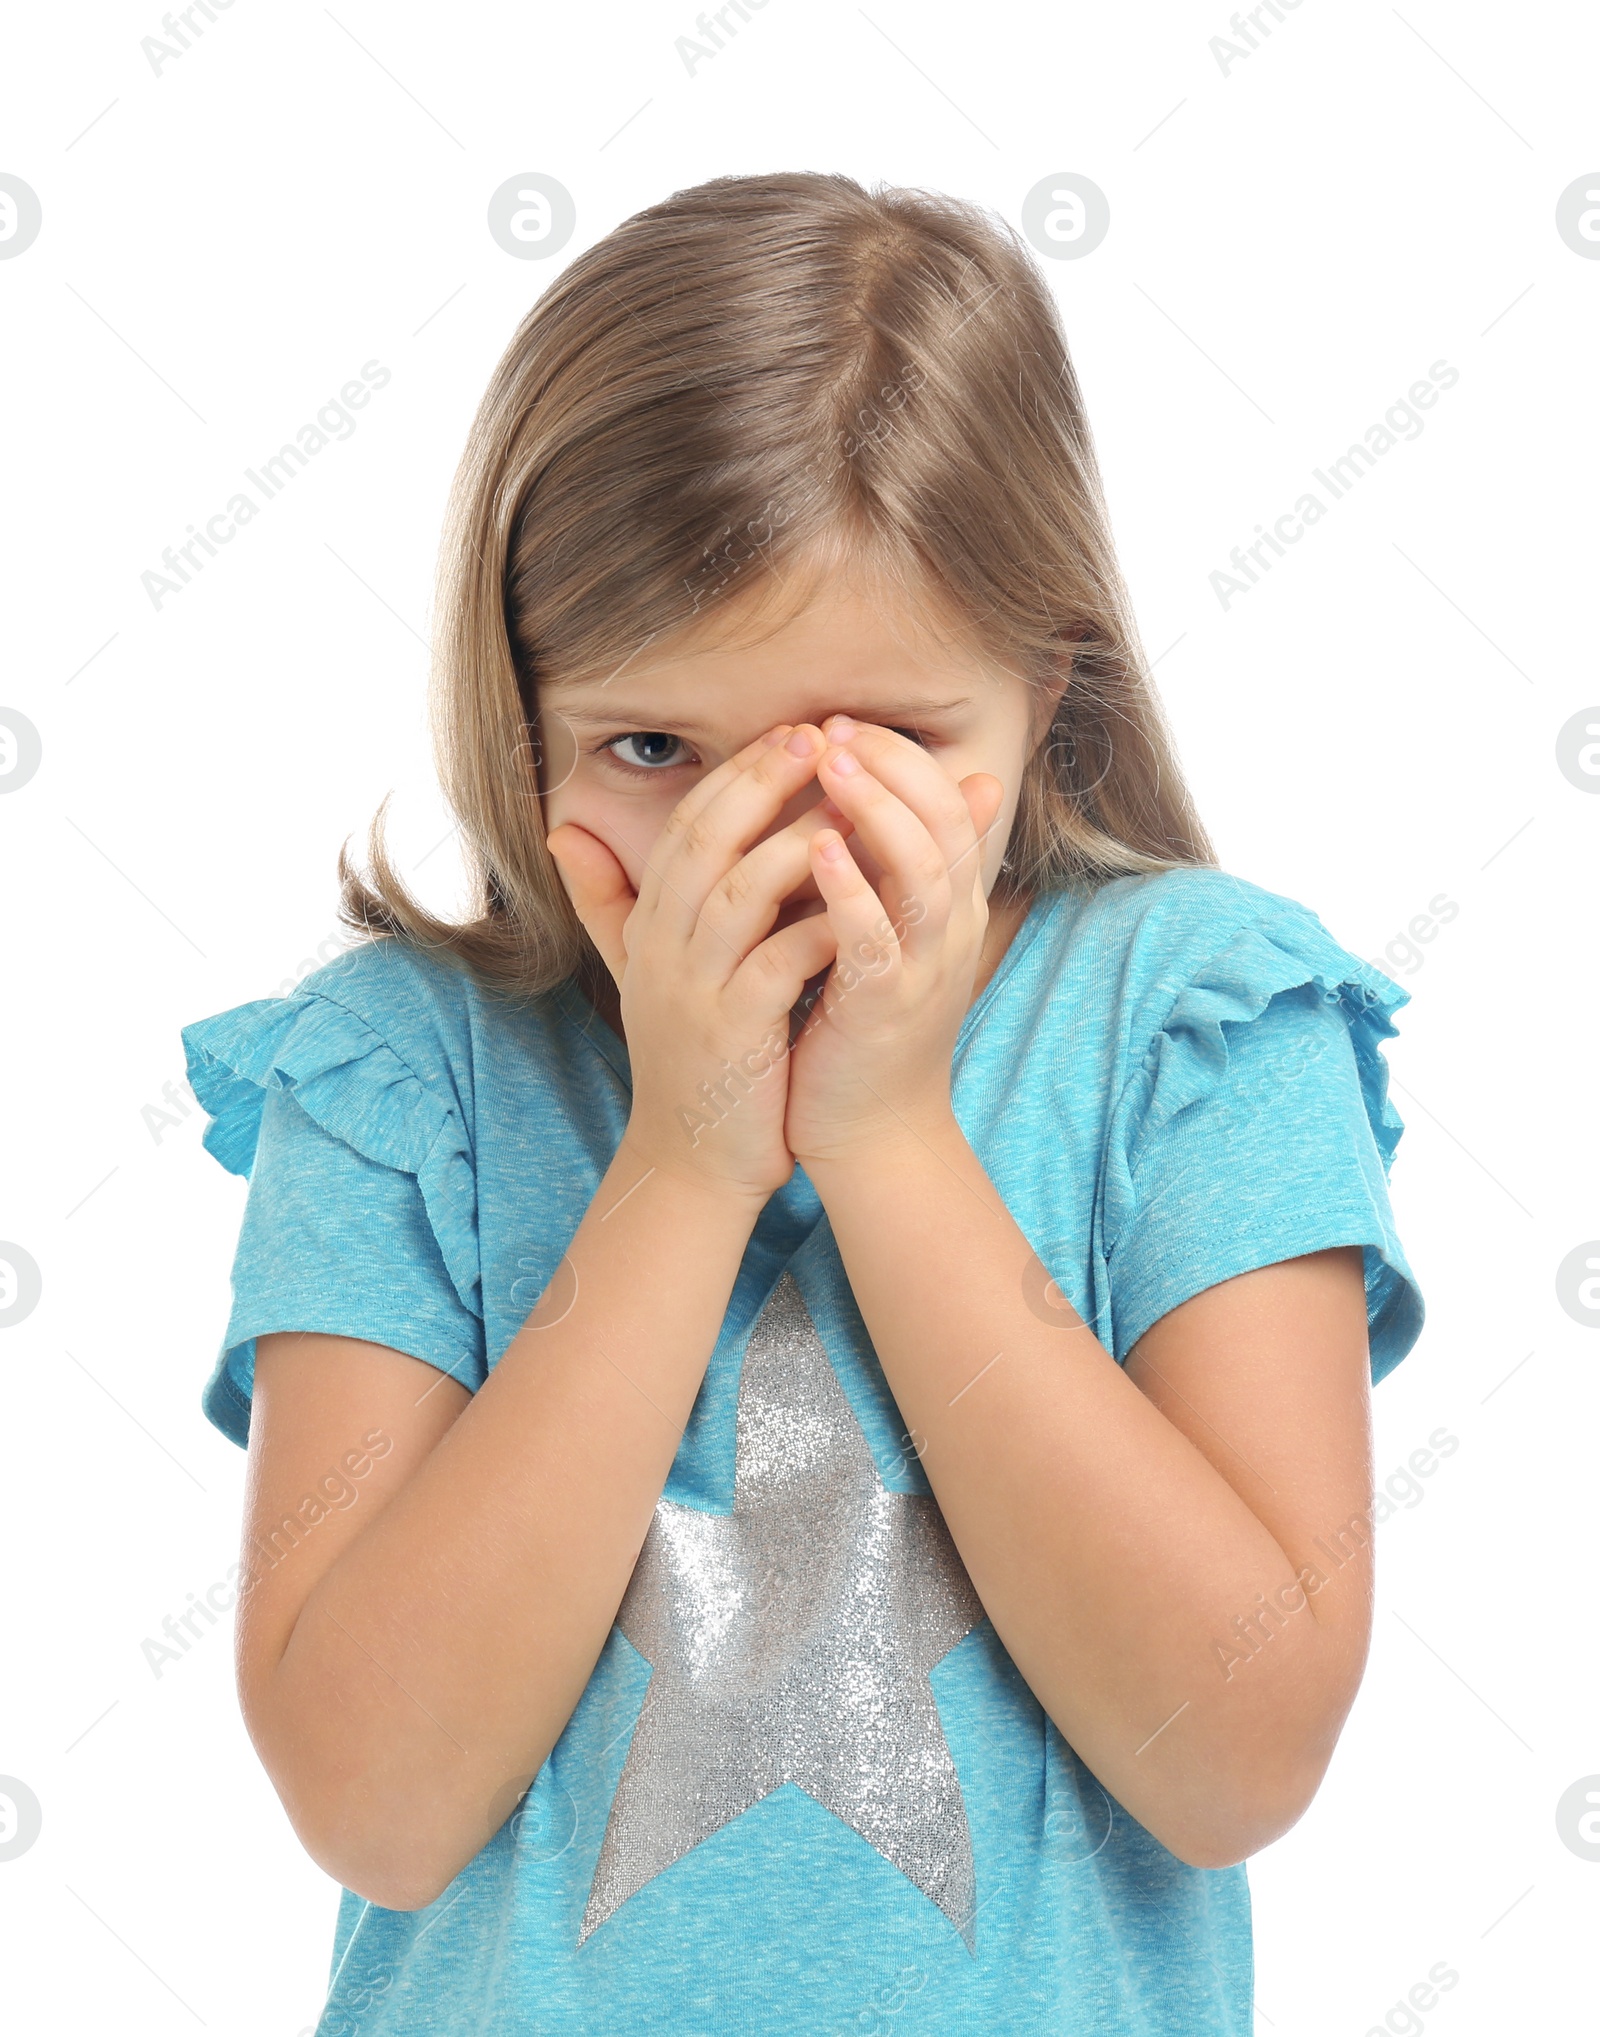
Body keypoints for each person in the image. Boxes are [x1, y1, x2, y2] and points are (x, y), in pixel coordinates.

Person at [181, 171, 1424, 2036]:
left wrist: (891, 1140)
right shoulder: (403, 1068)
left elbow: (1235, 1753)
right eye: (656, 749)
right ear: (517, 717)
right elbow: (376, 1800)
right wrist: (683, 1166)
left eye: (888, 750)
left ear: (1045, 690)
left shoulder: (1201, 1024)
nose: (766, 858)